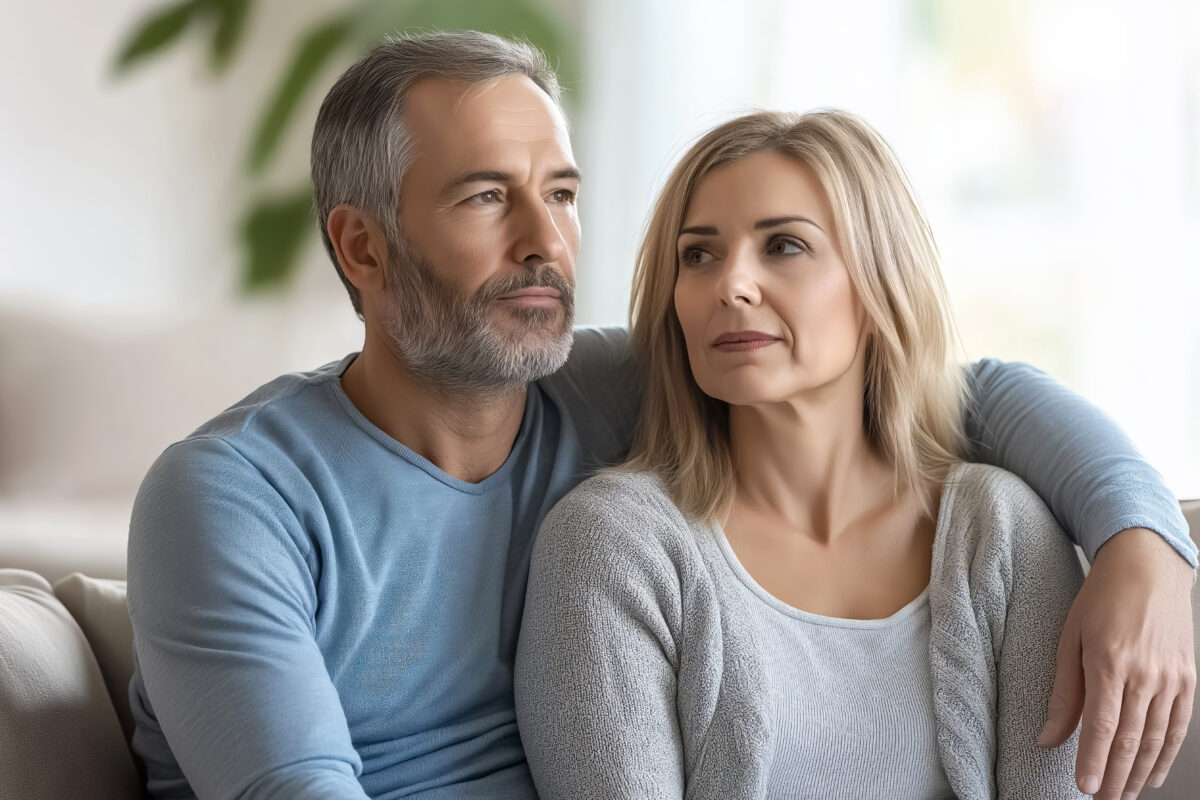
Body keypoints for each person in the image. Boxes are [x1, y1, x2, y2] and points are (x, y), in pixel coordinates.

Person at [125, 32, 1195, 800]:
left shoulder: (606, 384)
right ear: (362, 246)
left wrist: (1145, 541)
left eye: (565, 191)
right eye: (488, 196)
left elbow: (963, 391)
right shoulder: (229, 497)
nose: (545, 240)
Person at [515, 108, 1123, 799]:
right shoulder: (610, 545)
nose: (731, 285)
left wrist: (1144, 545)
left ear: (879, 282)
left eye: (784, 246)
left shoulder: (1002, 531)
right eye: (699, 254)